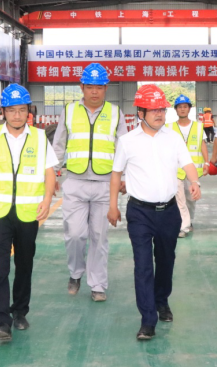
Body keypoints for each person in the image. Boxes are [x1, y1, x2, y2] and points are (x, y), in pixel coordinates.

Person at [108, 84, 202, 341]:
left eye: (162, 109)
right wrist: (113, 205)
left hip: (169, 211)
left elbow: (187, 163)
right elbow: (116, 174)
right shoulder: (127, 141)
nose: (160, 114)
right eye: (154, 110)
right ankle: (147, 320)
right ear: (140, 112)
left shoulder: (173, 138)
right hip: (139, 212)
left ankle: (162, 301)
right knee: (143, 265)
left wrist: (194, 181)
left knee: (166, 260)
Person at [0, 84, 58, 342]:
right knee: (0, 266)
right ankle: (1, 322)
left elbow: (49, 172)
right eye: (11, 110)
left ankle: (20, 311)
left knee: (24, 264)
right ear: (3, 112)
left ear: (28, 111)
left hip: (28, 213)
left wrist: (47, 200)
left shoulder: (39, 137)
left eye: (21, 110)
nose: (17, 115)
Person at [51, 62, 128, 302]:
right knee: (75, 234)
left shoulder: (115, 113)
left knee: (99, 236)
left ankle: (98, 285)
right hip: (75, 182)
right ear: (81, 87)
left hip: (106, 184)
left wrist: (124, 178)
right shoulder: (69, 111)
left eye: (99, 87)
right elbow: (58, 145)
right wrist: (52, 174)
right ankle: (75, 272)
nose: (94, 91)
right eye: (90, 87)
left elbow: (124, 148)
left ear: (106, 88)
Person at [168, 95, 209, 238]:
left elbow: (202, 145)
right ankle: (183, 226)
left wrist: (207, 162)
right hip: (177, 170)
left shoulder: (198, 126)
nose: (182, 109)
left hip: (193, 171)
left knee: (191, 199)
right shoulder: (169, 127)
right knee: (180, 199)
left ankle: (189, 221)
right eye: (180, 107)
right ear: (176, 110)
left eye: (185, 107)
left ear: (189, 109)